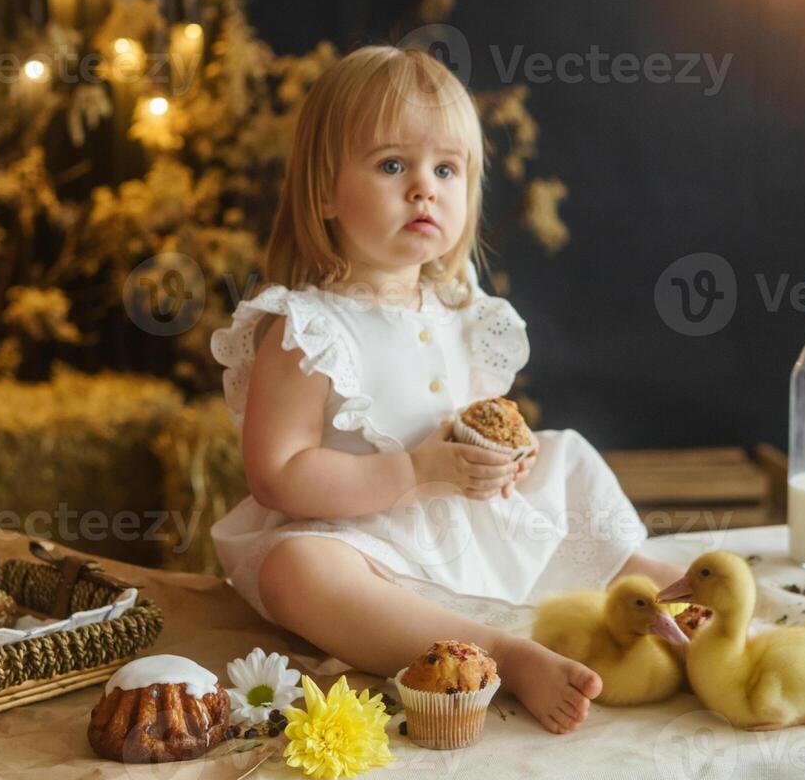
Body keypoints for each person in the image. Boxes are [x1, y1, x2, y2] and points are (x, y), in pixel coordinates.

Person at [210, 45, 683, 734]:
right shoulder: (306, 328)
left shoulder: (465, 311)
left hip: (461, 516)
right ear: (323, 192)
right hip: (362, 539)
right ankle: (494, 651)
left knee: (563, 456)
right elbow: (276, 476)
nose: (424, 188)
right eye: (392, 165)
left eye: (446, 169)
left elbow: (471, 424)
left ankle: (643, 581)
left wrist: (503, 465)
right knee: (296, 571)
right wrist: (412, 472)